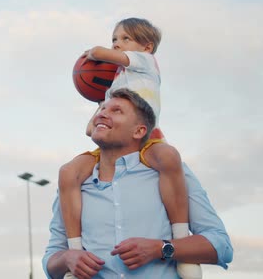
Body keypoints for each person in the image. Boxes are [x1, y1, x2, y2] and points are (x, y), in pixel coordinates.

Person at [59, 18, 199, 278]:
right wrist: (102, 111)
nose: (117, 44)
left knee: (169, 157)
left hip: (148, 137)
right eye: (114, 39)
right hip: (112, 147)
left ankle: (182, 245)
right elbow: (90, 130)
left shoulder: (145, 63)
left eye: (125, 39)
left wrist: (94, 54)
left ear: (146, 47)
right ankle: (75, 251)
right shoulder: (113, 85)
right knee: (69, 172)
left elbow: (104, 54)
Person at [43, 88, 233, 278]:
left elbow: (220, 246)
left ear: (139, 131)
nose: (102, 113)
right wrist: (68, 258)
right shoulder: (74, 186)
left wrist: (161, 248)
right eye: (102, 109)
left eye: (116, 111)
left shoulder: (170, 173)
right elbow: (52, 258)